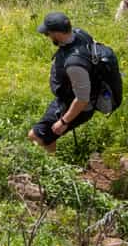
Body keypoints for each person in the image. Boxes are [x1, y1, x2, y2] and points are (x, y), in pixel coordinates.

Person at [29, 11, 112, 151]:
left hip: (77, 106)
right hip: (68, 97)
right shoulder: (80, 34)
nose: (47, 36)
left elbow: (82, 99)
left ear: (57, 34)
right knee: (48, 137)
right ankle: (52, 162)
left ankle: (50, 169)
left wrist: (64, 121)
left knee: (35, 136)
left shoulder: (75, 65)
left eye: (47, 33)